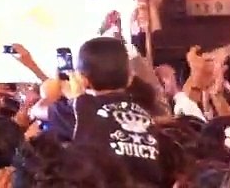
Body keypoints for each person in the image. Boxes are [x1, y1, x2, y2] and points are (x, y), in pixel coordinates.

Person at [69, 36, 165, 184]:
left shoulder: (83, 108)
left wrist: (78, 96)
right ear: (130, 78)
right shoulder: (147, 110)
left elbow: (79, 154)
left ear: (83, 79)